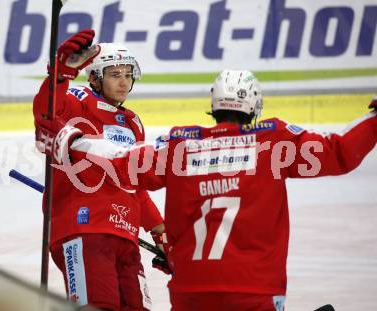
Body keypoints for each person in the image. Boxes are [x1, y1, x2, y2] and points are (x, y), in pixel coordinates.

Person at [69, 70, 377, 310]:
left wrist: (71, 142)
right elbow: (341, 153)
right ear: (255, 106)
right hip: (253, 289)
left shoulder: (181, 147)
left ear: (214, 105)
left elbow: (121, 164)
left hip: (191, 290)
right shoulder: (274, 143)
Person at [32, 29, 166, 310]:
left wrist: (161, 231)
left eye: (128, 74)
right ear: (94, 76)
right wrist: (60, 74)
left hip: (124, 233)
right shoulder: (79, 101)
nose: (123, 81)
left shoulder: (132, 122)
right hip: (84, 227)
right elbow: (46, 113)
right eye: (114, 74)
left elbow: (135, 184)